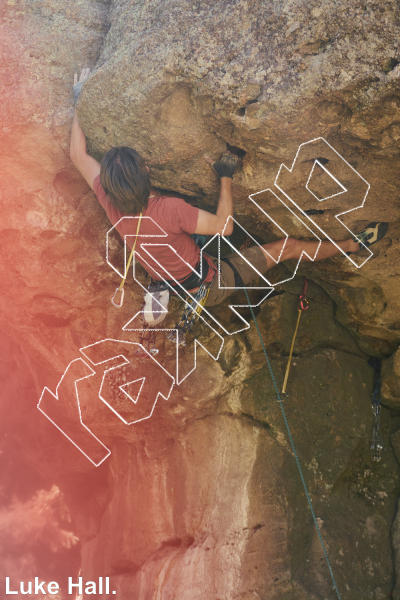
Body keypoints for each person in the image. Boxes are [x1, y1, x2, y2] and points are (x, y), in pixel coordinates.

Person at [70, 68, 389, 307]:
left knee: (177, 239)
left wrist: (78, 102)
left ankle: (160, 285)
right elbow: (224, 226)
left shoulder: (110, 203)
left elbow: (77, 155)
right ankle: (352, 245)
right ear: (148, 171)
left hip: (172, 271)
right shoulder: (169, 210)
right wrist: (225, 176)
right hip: (209, 284)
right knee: (287, 246)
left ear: (110, 189)